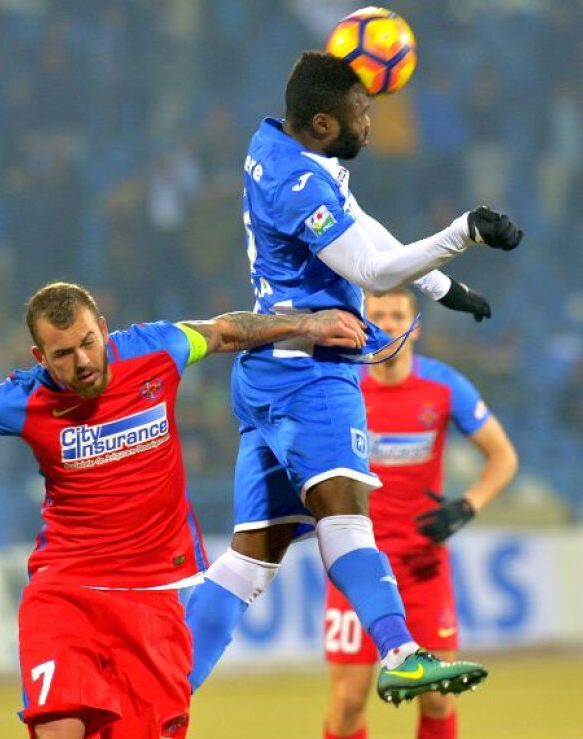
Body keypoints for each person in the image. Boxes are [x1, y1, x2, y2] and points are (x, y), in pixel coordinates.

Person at [0, 282, 368, 739]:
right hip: (68, 592)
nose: (83, 361)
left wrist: (308, 324)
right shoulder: (23, 398)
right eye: (63, 353)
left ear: (103, 329)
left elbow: (227, 331)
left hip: (154, 598)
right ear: (40, 357)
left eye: (88, 342)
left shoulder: (157, 349)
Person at [185, 51, 523, 704]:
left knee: (250, 559)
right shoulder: (298, 185)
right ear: (321, 123)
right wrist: (464, 232)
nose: (371, 125)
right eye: (361, 114)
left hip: (266, 372)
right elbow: (369, 271)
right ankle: (401, 653)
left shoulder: (272, 144)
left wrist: (444, 287)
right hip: (312, 374)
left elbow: (358, 222)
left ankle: (166, 684)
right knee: (347, 520)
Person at [322, 290, 519, 739]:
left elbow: (504, 457)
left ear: (415, 327)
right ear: (362, 324)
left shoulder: (443, 386)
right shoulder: (341, 384)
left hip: (423, 566)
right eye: (378, 316)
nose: (388, 324)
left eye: (398, 315)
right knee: (348, 701)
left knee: (437, 697)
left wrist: (468, 505)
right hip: (356, 567)